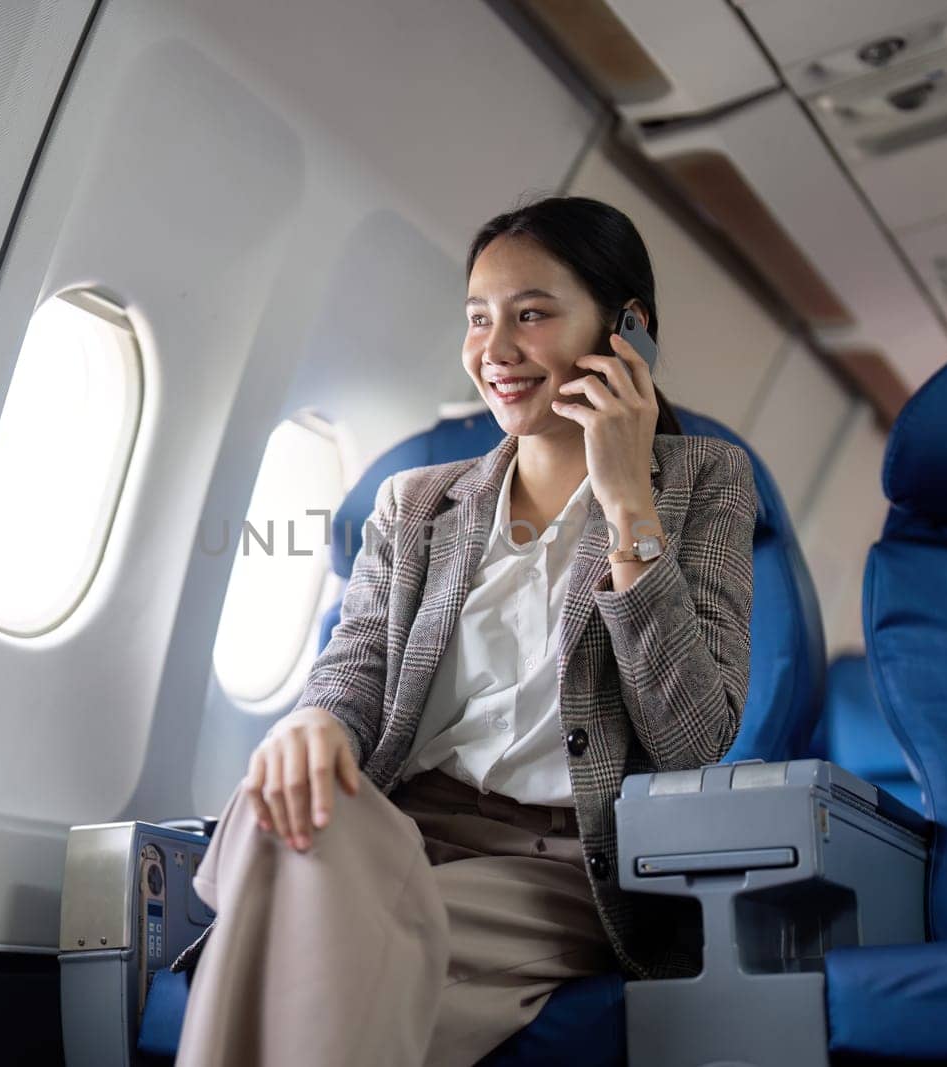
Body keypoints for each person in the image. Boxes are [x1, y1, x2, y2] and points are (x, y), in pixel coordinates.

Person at [172, 195, 758, 1067]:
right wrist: (315, 723)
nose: (496, 351)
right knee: (275, 803)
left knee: (321, 982)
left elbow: (690, 739)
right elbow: (356, 664)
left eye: (532, 315)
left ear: (628, 330)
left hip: (558, 863)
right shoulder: (415, 504)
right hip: (396, 831)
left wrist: (628, 500)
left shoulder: (702, 481)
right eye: (479, 319)